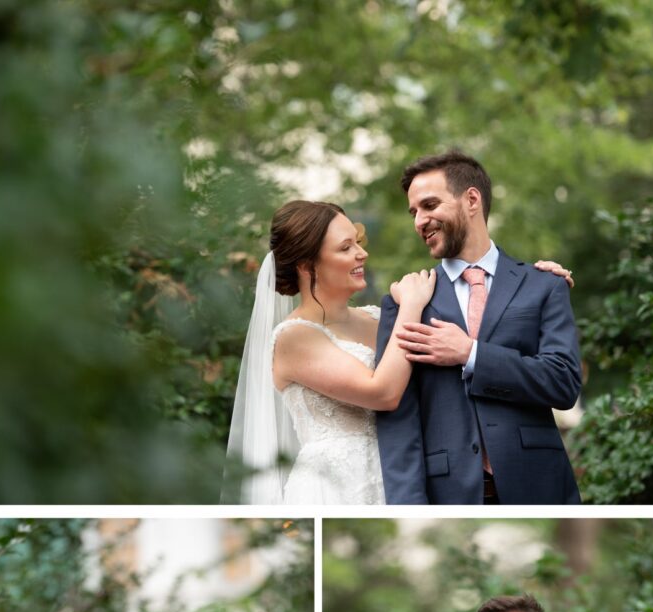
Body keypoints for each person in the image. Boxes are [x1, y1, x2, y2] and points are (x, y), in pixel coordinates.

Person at [223, 198, 572, 504]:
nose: (362, 253)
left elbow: (471, 332)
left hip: (401, 475)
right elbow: (383, 392)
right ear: (306, 265)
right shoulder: (294, 339)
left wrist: (534, 281)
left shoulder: (378, 319)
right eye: (345, 248)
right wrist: (410, 307)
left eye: (357, 242)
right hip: (336, 487)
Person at [376, 151, 582, 504]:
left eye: (429, 205)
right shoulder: (406, 301)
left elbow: (564, 384)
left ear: (471, 199)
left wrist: (470, 353)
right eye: (414, 212)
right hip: (448, 494)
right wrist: (410, 507)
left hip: (539, 488)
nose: (419, 221)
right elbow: (398, 422)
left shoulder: (545, 285)